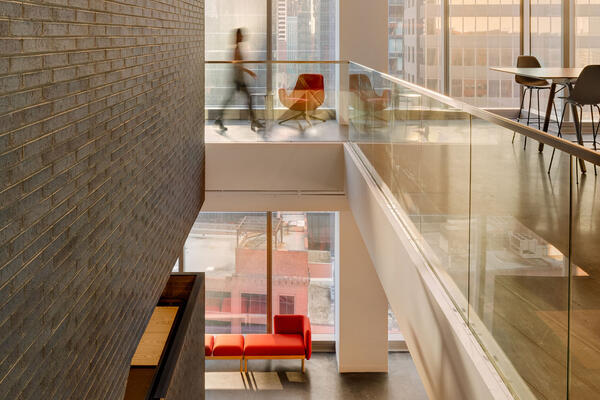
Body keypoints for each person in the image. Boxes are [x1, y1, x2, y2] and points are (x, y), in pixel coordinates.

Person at [215, 28, 265, 133]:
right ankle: (253, 121)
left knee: (237, 99)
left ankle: (220, 119)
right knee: (245, 99)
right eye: (241, 35)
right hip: (238, 80)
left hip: (238, 79)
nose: (243, 36)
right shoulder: (235, 49)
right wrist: (249, 71)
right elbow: (236, 64)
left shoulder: (237, 47)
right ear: (238, 36)